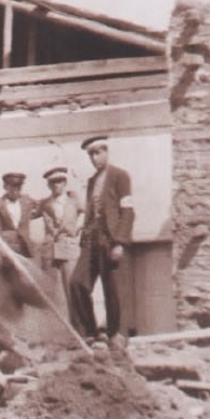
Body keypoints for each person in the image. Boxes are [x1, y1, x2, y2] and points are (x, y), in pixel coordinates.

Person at [69, 135, 134, 348]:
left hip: (110, 239)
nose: (95, 158)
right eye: (91, 154)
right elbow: (90, 213)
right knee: (77, 282)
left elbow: (127, 211)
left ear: (107, 152)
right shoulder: (91, 181)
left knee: (112, 289)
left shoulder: (120, 176)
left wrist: (120, 242)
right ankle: (91, 331)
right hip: (91, 241)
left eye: (98, 153)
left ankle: (116, 334)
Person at [38, 166, 85, 333]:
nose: (57, 185)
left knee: (72, 289)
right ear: (49, 185)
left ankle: (78, 331)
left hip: (69, 247)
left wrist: (78, 228)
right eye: (53, 182)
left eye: (60, 181)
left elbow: (88, 213)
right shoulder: (45, 203)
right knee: (48, 291)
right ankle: (51, 331)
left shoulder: (74, 200)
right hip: (50, 248)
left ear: (65, 183)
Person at [0, 172, 38, 258]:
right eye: (12, 187)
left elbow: (44, 204)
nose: (15, 190)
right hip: (7, 249)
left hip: (26, 249)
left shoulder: (27, 201)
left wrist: (69, 195)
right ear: (5, 186)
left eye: (19, 187)